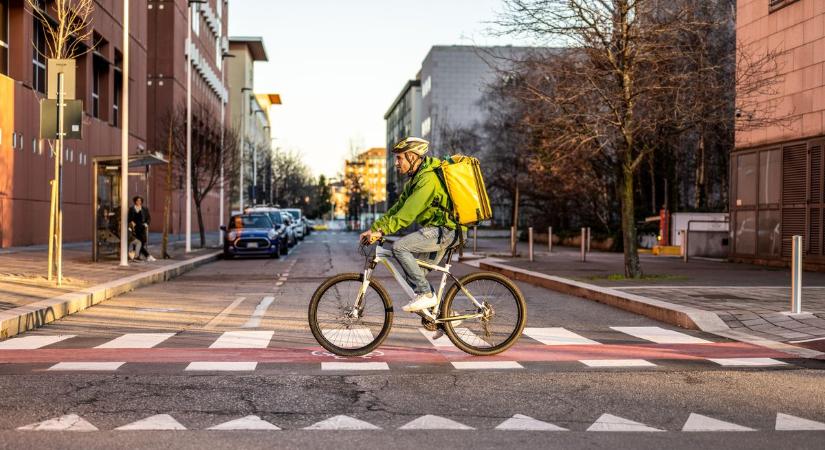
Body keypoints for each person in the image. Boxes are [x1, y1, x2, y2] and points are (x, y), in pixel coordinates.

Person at [360, 137, 462, 313]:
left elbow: (408, 214)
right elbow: (398, 209)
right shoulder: (415, 180)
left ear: (413, 157)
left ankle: (427, 294)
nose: (397, 163)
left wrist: (383, 231)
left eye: (400, 158)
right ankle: (447, 316)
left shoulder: (428, 179)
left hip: (446, 230)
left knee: (400, 247)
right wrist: (375, 228)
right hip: (436, 231)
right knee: (413, 276)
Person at [128, 195, 156, 261]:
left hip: (142, 228)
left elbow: (148, 218)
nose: (139, 202)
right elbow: (129, 218)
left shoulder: (144, 209)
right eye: (137, 200)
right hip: (134, 228)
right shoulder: (132, 209)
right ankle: (147, 256)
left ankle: (137, 256)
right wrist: (131, 224)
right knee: (138, 243)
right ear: (135, 201)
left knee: (142, 242)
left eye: (140, 200)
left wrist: (146, 224)